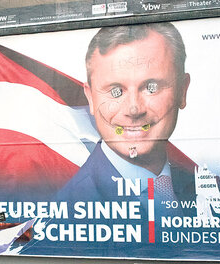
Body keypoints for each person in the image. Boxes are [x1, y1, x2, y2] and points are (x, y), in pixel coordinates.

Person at [57, 23, 196, 215]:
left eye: (151, 87)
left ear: (182, 91)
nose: (133, 109)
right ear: (90, 98)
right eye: (116, 91)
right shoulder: (66, 213)